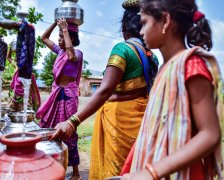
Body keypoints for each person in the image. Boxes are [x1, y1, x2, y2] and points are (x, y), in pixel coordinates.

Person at [51, 0, 159, 179]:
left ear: (124, 28)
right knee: (136, 169)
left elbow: (104, 90)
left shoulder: (122, 49)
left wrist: (73, 121)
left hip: (119, 122)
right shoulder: (151, 56)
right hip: (143, 120)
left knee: (116, 171)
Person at [121, 0, 224, 179]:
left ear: (165, 21)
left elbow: (210, 134)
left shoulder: (191, 66)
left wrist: (153, 171)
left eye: (144, 23)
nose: (141, 31)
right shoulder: (165, 68)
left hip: (182, 173)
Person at [36, 18, 83, 180]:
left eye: (62, 37)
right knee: (48, 127)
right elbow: (43, 37)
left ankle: (76, 173)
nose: (59, 39)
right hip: (55, 95)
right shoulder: (60, 51)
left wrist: (64, 29)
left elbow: (71, 55)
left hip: (68, 97)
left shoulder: (76, 53)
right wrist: (56, 24)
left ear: (70, 37)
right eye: (60, 36)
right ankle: (53, 164)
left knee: (69, 132)